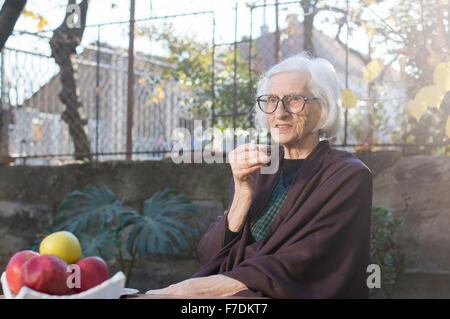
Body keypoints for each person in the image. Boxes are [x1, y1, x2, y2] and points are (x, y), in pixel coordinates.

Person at [146, 52, 373, 298]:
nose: (279, 112)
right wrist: (242, 195)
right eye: (272, 100)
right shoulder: (260, 168)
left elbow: (302, 265)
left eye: (294, 99)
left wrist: (191, 289)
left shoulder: (348, 175)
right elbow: (210, 255)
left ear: (323, 108)